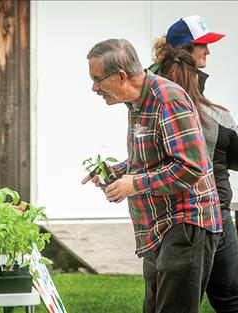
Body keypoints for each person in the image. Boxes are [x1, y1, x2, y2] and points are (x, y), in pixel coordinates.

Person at [82, 38, 222, 313]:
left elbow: (191, 167)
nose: (94, 88)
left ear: (121, 76)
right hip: (158, 228)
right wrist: (113, 173)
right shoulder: (136, 103)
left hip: (186, 223)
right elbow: (148, 161)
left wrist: (133, 184)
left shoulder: (168, 100)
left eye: (98, 80)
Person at [150, 15, 238, 312]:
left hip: (164, 214)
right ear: (185, 50)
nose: (208, 51)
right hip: (207, 213)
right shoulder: (209, 115)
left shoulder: (150, 100)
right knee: (230, 301)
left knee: (162, 299)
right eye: (202, 45)